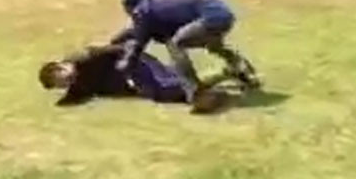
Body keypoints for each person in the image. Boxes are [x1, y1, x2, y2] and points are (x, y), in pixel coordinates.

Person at [110, 0, 260, 103]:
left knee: (177, 44)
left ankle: (196, 92)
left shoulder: (144, 10)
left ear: (130, 4)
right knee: (211, 45)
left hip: (210, 16)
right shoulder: (156, 7)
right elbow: (136, 32)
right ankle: (240, 69)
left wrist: (126, 63)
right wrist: (116, 40)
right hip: (221, 12)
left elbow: (138, 43)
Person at [38, 43, 240, 111]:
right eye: (60, 84)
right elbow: (73, 97)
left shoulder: (84, 58)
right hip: (136, 79)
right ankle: (225, 77)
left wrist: (129, 69)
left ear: (60, 65)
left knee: (165, 88)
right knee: (171, 91)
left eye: (61, 77)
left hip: (136, 62)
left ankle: (223, 77)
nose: (65, 82)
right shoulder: (79, 85)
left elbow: (119, 49)